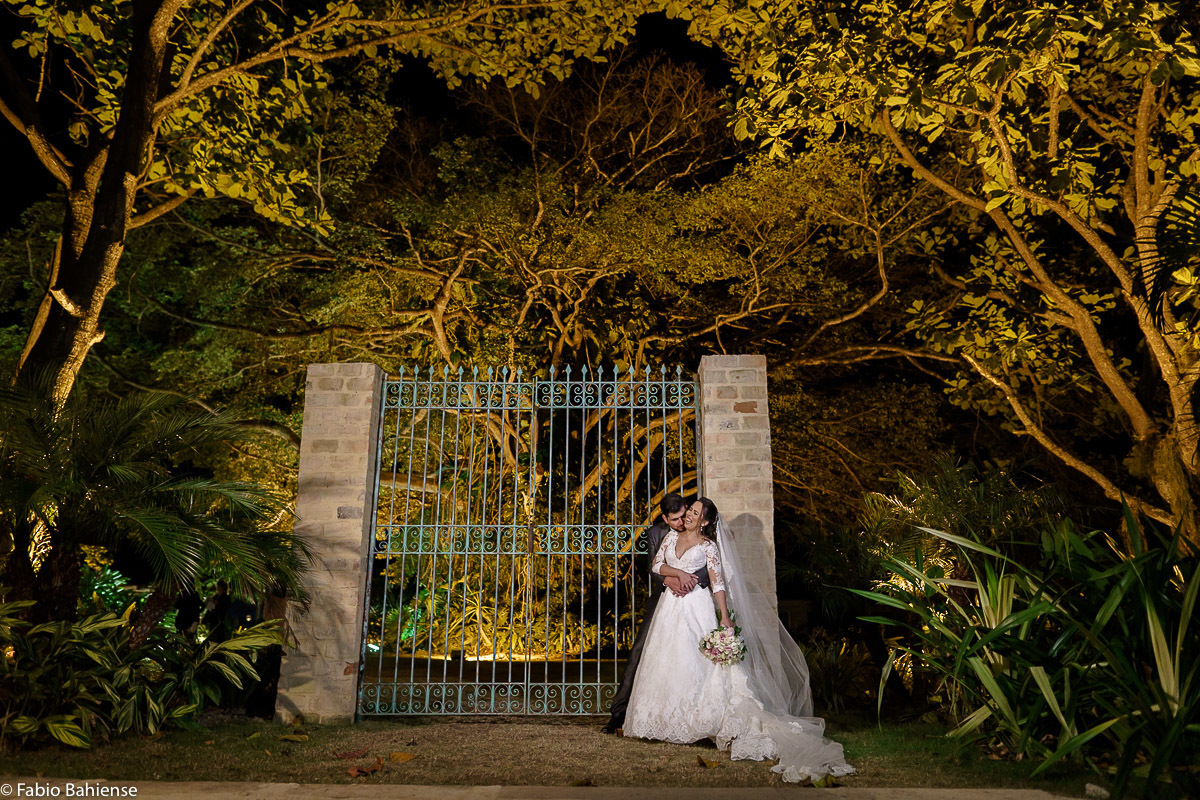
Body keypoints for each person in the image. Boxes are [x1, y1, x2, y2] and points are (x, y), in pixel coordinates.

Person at [622, 497, 855, 784]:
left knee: (696, 663)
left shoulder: (708, 547)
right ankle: (662, 722)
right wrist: (679, 573)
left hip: (696, 607)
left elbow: (717, 583)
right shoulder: (671, 537)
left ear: (706, 521)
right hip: (670, 607)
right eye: (690, 510)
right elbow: (658, 565)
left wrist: (724, 617)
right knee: (667, 660)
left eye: (695, 513)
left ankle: (701, 722)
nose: (689, 516)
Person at [601, 493, 710, 734]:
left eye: (683, 516)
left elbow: (710, 565)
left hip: (694, 596)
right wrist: (669, 580)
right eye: (675, 519)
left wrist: (689, 581)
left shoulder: (700, 528)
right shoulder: (655, 533)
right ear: (665, 518)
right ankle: (618, 714)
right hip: (663, 597)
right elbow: (653, 567)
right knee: (640, 649)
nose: (681, 523)